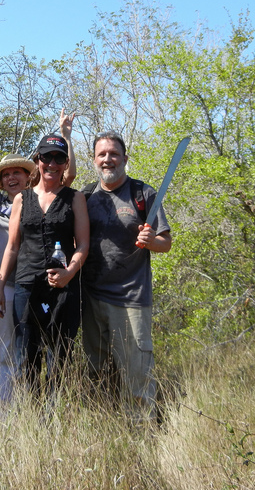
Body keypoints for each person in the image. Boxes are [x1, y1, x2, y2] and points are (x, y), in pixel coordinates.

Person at [0, 110, 77, 414]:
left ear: (29, 176)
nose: (12, 177)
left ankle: (4, 414)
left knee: (9, 354)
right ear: (1, 180)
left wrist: (65, 135)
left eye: (18, 173)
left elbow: (66, 175)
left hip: (14, 286)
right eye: (7, 174)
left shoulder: (35, 202)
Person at [81, 131, 172, 423]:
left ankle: (142, 434)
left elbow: (165, 244)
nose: (108, 159)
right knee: (96, 371)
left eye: (114, 154)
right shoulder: (85, 196)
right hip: (91, 297)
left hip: (132, 299)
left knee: (137, 374)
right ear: (94, 160)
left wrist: (150, 241)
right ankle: (103, 427)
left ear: (124, 158)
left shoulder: (143, 194)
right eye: (102, 154)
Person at [0, 132, 89, 401]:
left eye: (59, 158)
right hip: (26, 285)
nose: (53, 163)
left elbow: (82, 245)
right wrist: (0, 286)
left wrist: (69, 272)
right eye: (47, 157)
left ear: (65, 163)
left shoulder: (75, 198)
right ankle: (31, 419)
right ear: (38, 160)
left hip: (64, 288)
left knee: (59, 356)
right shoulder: (22, 199)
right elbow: (12, 246)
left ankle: (52, 419)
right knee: (26, 355)